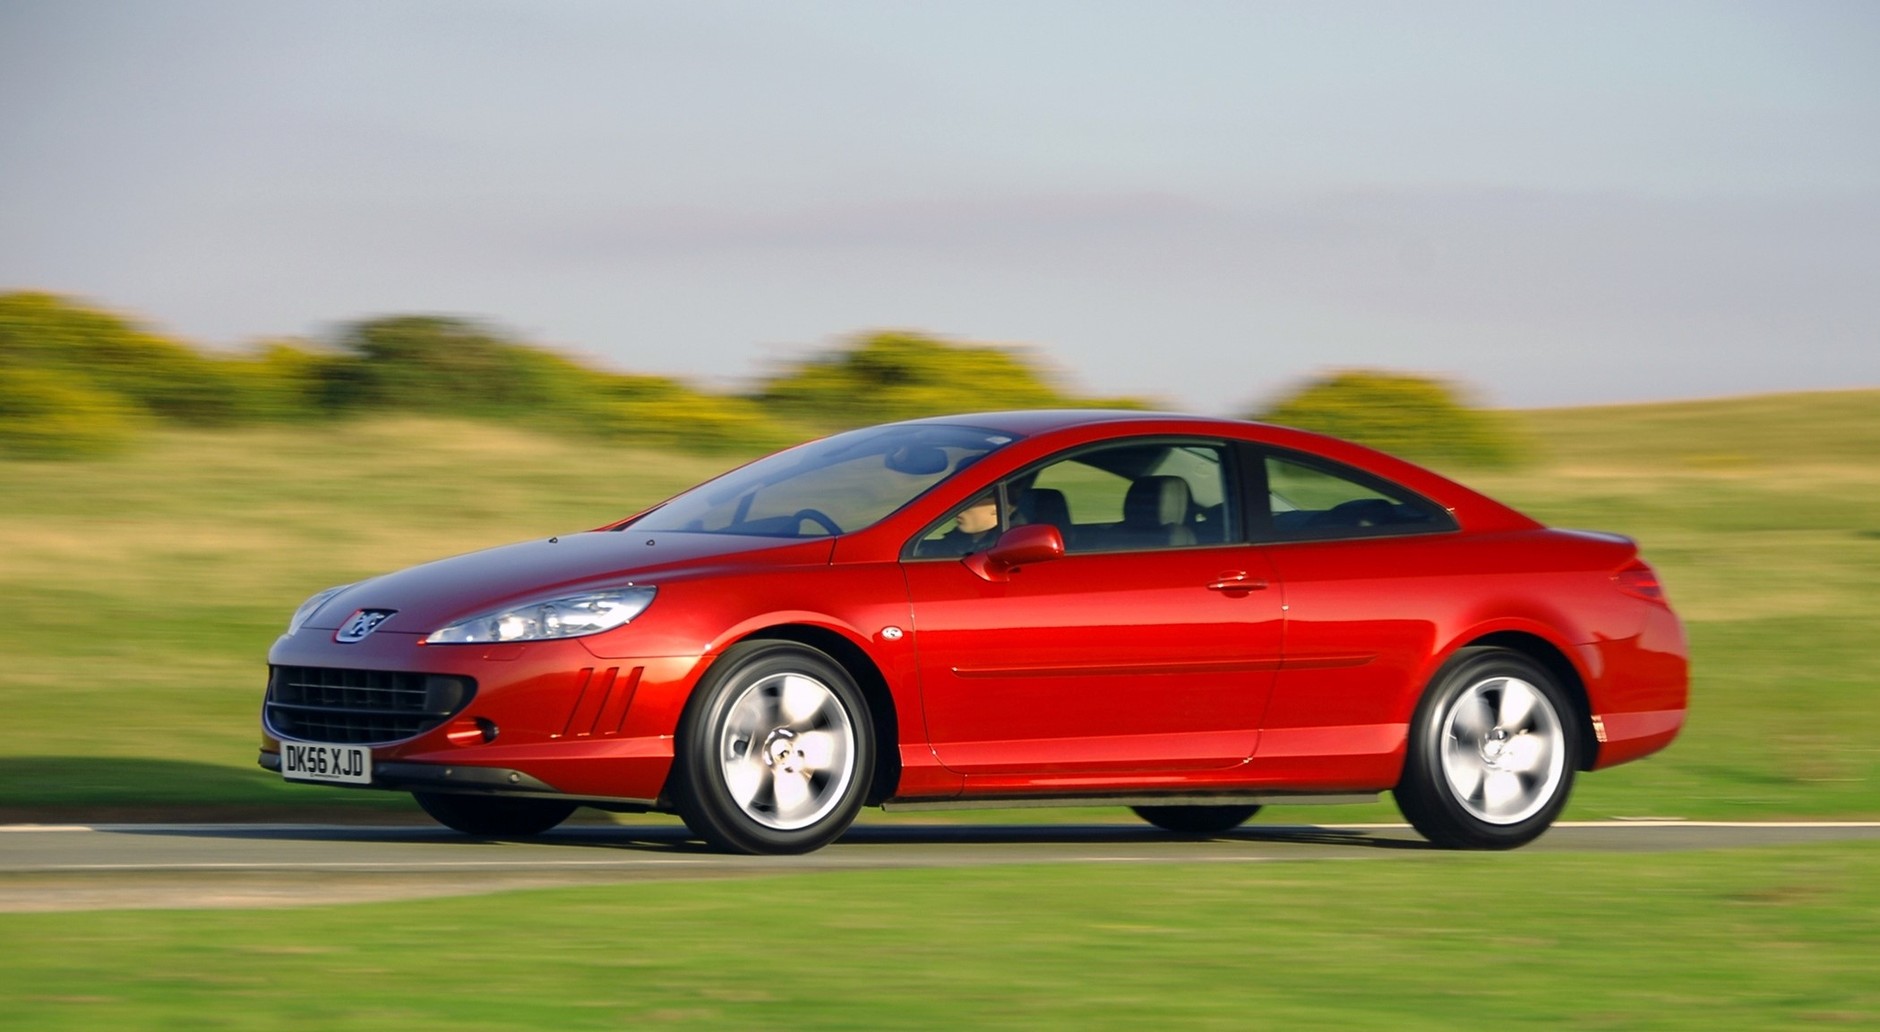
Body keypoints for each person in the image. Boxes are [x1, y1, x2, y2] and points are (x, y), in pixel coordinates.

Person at [917, 492, 1003, 556]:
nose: (959, 509)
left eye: (970, 502)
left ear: (996, 506)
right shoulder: (954, 542)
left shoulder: (1003, 549)